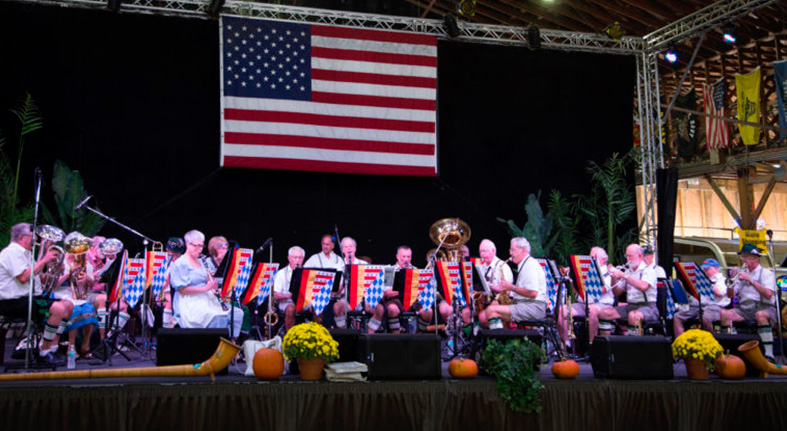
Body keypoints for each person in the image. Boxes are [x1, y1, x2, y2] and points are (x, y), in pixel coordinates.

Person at [0, 223, 73, 365]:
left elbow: (39, 278)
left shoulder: (26, 254)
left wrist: (55, 268)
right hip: (13, 302)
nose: (37, 241)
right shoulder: (11, 253)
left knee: (68, 305)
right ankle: (44, 352)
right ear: (22, 238)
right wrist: (45, 259)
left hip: (29, 299)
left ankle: (52, 347)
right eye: (34, 237)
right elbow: (23, 277)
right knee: (57, 309)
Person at [169, 230, 243, 336]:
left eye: (201, 246)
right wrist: (206, 287)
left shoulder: (201, 261)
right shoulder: (180, 263)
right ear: (188, 245)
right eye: (197, 246)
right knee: (218, 317)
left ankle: (231, 343)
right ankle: (215, 347)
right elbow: (182, 289)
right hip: (189, 302)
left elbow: (210, 284)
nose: (200, 249)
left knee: (237, 313)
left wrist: (212, 282)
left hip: (206, 299)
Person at [720, 244, 778, 358]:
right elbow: (730, 295)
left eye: (745, 257)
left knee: (760, 315)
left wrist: (750, 280)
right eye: (742, 256)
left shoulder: (766, 273)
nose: (742, 259)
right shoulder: (741, 273)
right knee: (724, 314)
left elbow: (768, 294)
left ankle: (769, 354)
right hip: (744, 308)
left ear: (755, 258)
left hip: (764, 307)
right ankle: (730, 348)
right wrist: (731, 280)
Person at [482, 237, 547, 329]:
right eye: (510, 250)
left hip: (534, 307)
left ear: (523, 250)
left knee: (491, 310)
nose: (510, 253)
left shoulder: (530, 266)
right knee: (496, 309)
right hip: (526, 304)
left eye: (513, 250)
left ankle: (498, 340)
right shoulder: (525, 265)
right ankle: (507, 339)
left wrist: (511, 287)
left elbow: (533, 293)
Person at [598, 244, 657, 336]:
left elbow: (643, 287)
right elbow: (617, 293)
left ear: (640, 256)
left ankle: (635, 346)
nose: (628, 259)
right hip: (630, 306)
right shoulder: (628, 271)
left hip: (648, 306)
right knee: (604, 313)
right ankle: (607, 346)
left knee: (633, 316)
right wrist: (614, 278)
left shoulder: (648, 270)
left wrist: (624, 276)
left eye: (631, 256)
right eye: (627, 256)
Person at [564, 246, 615, 343]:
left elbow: (601, 291)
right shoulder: (586, 271)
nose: (590, 260)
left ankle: (592, 345)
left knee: (591, 310)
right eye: (590, 257)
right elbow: (576, 292)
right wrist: (573, 277)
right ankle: (567, 345)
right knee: (561, 310)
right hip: (583, 304)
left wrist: (583, 282)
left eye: (594, 257)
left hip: (600, 304)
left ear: (603, 259)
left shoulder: (608, 272)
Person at [673, 258, 729, 337]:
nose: (705, 271)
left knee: (704, 319)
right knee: (677, 317)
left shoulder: (722, 280)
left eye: (708, 269)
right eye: (704, 269)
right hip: (699, 305)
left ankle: (709, 340)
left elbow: (719, 293)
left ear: (715, 268)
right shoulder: (703, 280)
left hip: (715, 306)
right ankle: (680, 340)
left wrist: (706, 284)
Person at [332, 237, 369, 329]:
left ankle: (369, 334)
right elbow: (335, 291)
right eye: (346, 247)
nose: (349, 249)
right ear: (342, 250)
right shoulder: (337, 267)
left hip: (362, 299)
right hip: (345, 299)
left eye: (351, 246)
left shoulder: (364, 264)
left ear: (355, 248)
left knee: (379, 309)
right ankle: (344, 331)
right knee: (337, 307)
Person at [272, 245, 305, 332]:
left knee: (318, 307)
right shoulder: (281, 273)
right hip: (287, 302)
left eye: (300, 258)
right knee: (291, 309)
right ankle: (289, 336)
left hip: (304, 302)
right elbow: (276, 295)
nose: (297, 260)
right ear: (289, 258)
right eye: (295, 257)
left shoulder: (307, 273)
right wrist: (289, 296)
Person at [161, 237, 185, 328]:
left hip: (179, 290)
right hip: (162, 292)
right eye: (173, 253)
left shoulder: (183, 260)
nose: (176, 255)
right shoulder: (164, 260)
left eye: (177, 253)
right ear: (167, 250)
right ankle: (166, 329)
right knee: (170, 300)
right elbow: (164, 281)